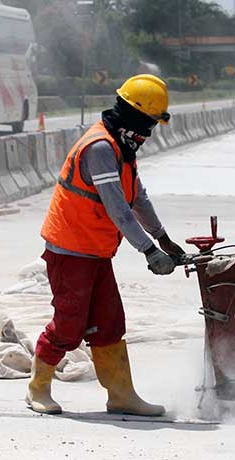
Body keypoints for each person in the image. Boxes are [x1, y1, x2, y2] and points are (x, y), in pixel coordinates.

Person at [27, 74, 184, 417]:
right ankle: (38, 387)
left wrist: (163, 238)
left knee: (110, 323)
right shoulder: (99, 148)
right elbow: (118, 208)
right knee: (69, 326)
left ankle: (121, 395)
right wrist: (149, 251)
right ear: (133, 116)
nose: (149, 132)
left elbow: (137, 196)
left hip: (96, 251)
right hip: (70, 250)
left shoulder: (122, 147)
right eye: (149, 123)